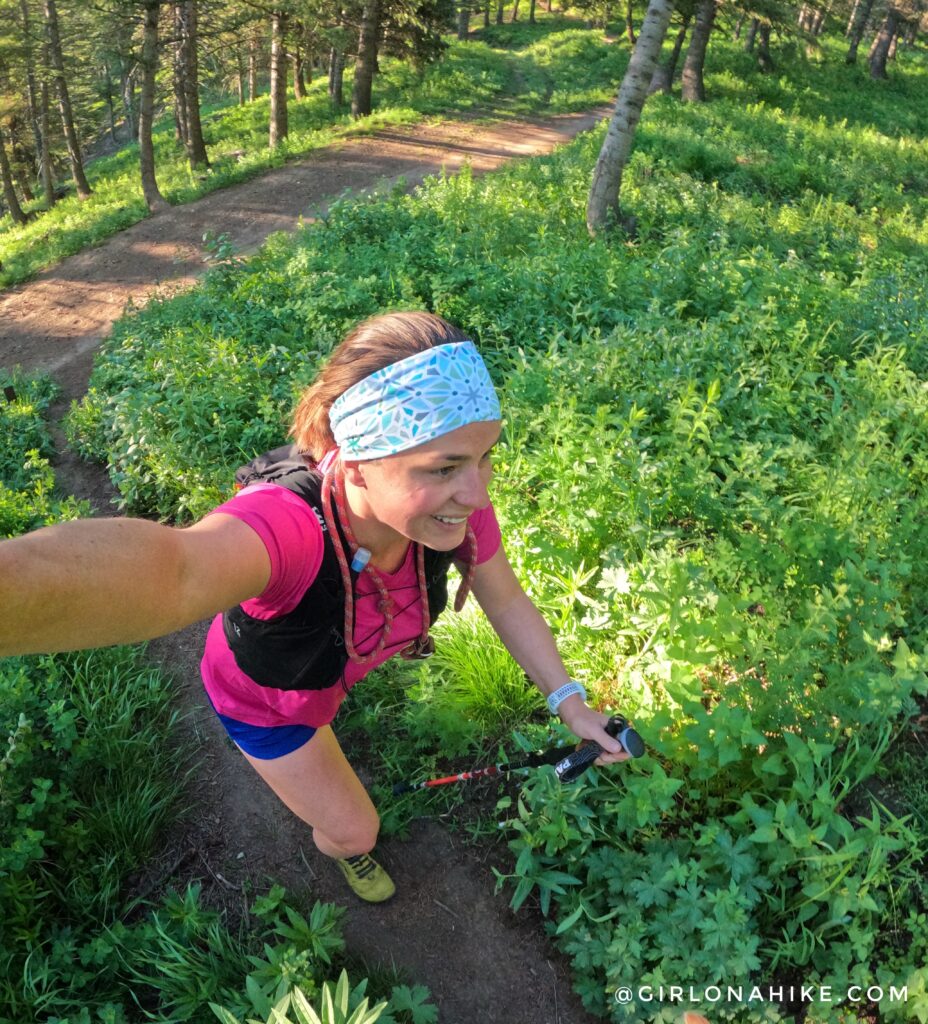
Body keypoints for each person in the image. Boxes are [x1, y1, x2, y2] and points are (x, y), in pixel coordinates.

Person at [0, 311, 627, 903]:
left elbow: (505, 598)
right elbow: (177, 572)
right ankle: (343, 846)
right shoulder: (289, 532)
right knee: (357, 830)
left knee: (330, 716)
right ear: (355, 465)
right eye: (445, 467)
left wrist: (568, 702)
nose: (477, 492)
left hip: (327, 667)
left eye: (487, 455)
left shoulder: (453, 517)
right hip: (267, 703)